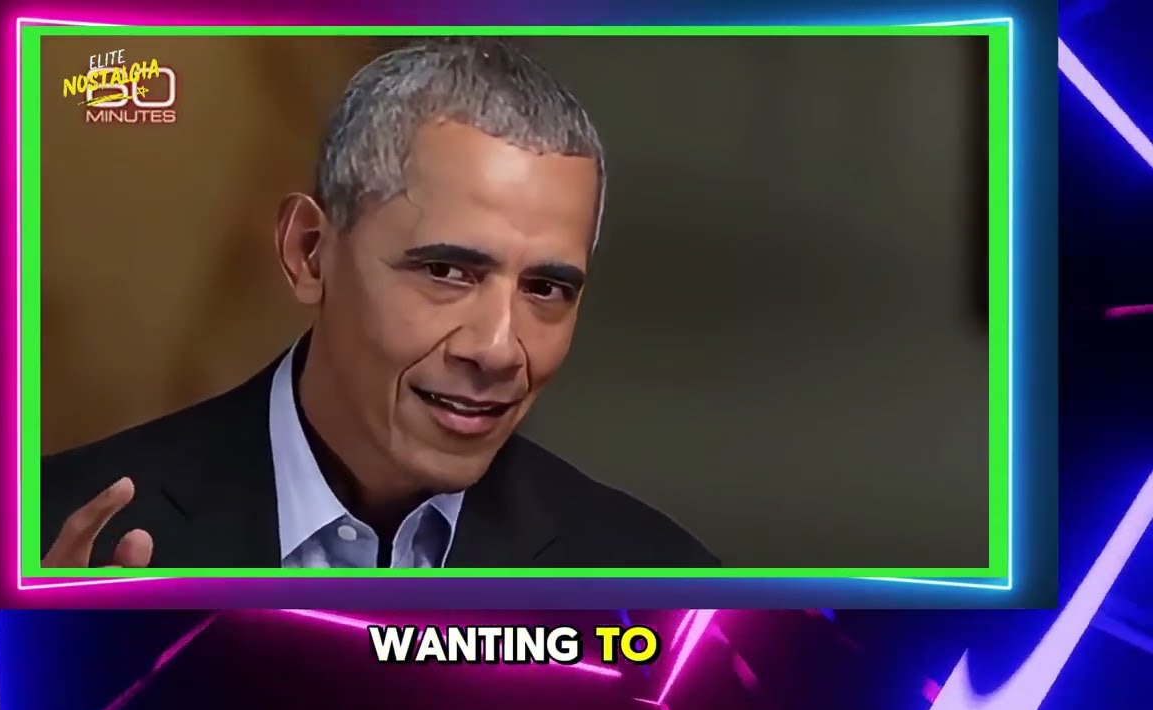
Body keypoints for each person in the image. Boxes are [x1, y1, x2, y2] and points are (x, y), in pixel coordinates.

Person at [41, 38, 718, 570]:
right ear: (310, 253)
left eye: (545, 288)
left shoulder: (660, 583)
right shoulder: (39, 533)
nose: (497, 350)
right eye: (447, 271)